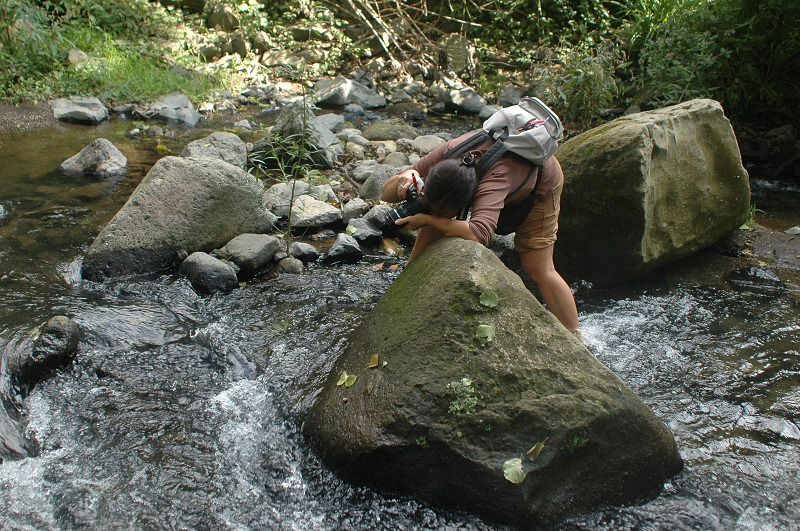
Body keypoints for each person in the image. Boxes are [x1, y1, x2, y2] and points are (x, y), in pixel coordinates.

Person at [380, 134, 580, 338]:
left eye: (442, 210)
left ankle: (576, 336)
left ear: (466, 203)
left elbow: (480, 234)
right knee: (436, 217)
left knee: (538, 268)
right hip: (499, 173)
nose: (433, 212)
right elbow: (384, 195)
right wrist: (406, 176)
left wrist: (429, 220)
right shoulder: (449, 154)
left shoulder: (494, 182)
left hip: (540, 180)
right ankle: (410, 278)